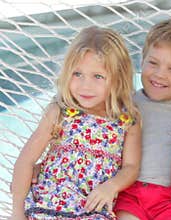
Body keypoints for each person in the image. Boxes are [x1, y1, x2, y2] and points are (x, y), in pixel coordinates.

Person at [11, 26, 142, 219]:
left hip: (91, 208)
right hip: (50, 202)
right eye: (77, 74)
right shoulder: (61, 111)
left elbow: (131, 167)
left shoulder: (127, 120)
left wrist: (111, 186)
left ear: (117, 79)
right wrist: (17, 211)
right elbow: (26, 160)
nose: (85, 85)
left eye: (98, 76)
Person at [113, 17, 171, 220]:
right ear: (142, 60)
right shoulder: (124, 104)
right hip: (128, 194)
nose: (159, 75)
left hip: (170, 199)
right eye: (153, 63)